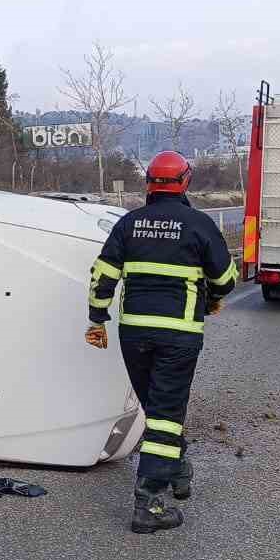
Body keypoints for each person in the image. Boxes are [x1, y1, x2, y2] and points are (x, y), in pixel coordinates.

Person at [85, 150, 238, 534]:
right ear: (185, 181)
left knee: (156, 408)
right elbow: (226, 280)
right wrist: (211, 297)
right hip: (178, 333)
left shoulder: (129, 223)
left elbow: (102, 275)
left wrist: (97, 317)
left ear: (149, 183)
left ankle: (178, 468)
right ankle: (148, 503)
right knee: (166, 414)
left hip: (134, 332)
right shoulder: (199, 224)